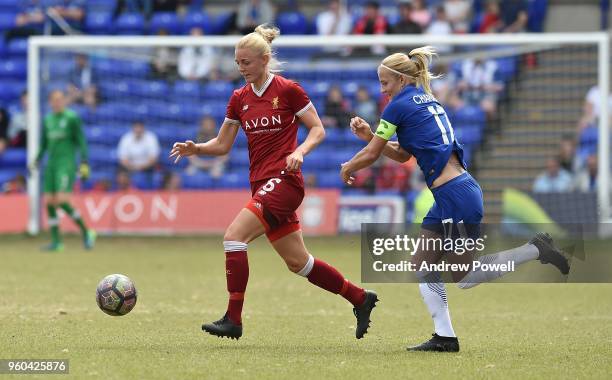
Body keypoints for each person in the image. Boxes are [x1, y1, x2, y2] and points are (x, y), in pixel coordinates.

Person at [341, 46, 570, 352]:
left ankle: (535, 249)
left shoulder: (397, 106)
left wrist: (349, 165)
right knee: (422, 263)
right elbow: (403, 154)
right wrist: (371, 136)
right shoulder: (425, 101)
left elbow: (373, 155)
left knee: (464, 275)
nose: (382, 90)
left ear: (401, 80)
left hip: (456, 197)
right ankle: (445, 337)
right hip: (451, 195)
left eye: (385, 83)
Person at [170, 24, 378, 340]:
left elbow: (318, 130)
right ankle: (360, 298)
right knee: (299, 263)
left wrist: (300, 151)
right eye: (238, 62)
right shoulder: (239, 99)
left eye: (247, 62)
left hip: (286, 181)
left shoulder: (288, 90)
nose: (241, 69)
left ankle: (233, 319)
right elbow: (223, 145)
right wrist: (196, 148)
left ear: (264, 59)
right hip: (262, 184)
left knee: (234, 237)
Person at [31, 90, 96, 252]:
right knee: (49, 202)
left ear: (64, 101)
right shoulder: (47, 120)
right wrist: (37, 160)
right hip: (51, 165)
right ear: (50, 102)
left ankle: (87, 231)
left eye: (60, 99)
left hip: (65, 164)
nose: (57, 102)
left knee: (61, 200)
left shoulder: (72, 118)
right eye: (54, 100)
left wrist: (84, 162)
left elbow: (81, 141)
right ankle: (56, 242)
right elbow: (44, 144)